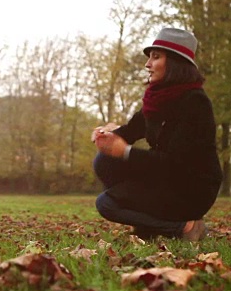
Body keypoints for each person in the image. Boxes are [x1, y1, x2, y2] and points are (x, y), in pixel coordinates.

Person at [91, 27, 222, 241]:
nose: (147, 64)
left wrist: (124, 151)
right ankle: (149, 226)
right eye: (149, 57)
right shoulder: (158, 99)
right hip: (165, 179)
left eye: (156, 57)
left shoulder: (195, 103)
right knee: (104, 160)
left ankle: (185, 227)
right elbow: (131, 130)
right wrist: (108, 133)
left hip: (191, 189)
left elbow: (175, 165)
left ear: (174, 63)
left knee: (105, 204)